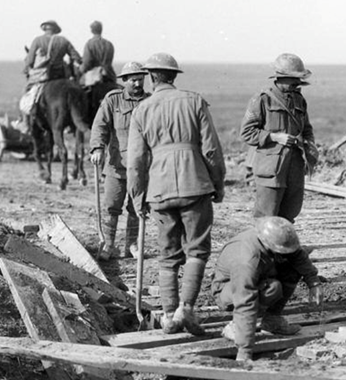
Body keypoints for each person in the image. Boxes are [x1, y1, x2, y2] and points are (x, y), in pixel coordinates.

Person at [127, 52, 226, 335]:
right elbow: (211, 150)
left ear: (151, 77)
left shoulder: (141, 110)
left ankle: (169, 316)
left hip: (159, 190)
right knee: (197, 250)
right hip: (196, 184)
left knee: (167, 255)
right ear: (174, 76)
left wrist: (137, 197)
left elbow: (135, 162)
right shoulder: (194, 101)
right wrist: (218, 183)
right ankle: (187, 308)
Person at [211, 216, 324, 362]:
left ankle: (272, 320)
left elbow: (297, 254)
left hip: (261, 275)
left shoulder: (272, 239)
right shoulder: (247, 260)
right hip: (229, 289)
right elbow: (245, 300)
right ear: (268, 245)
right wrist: (245, 350)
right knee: (272, 288)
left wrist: (313, 282)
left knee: (291, 269)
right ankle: (236, 326)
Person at [240, 53, 318, 221]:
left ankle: (284, 239)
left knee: (289, 214)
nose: (297, 83)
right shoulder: (262, 100)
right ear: (281, 77)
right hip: (271, 169)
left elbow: (307, 129)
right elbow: (247, 132)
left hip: (294, 167)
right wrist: (274, 137)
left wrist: (310, 149)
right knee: (266, 216)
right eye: (294, 79)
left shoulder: (299, 100)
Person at [88, 61, 150, 260]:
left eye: (140, 80)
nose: (138, 84)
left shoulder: (150, 101)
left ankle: (132, 245)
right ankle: (108, 245)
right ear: (124, 81)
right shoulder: (113, 100)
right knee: (111, 206)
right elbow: (100, 126)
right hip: (117, 165)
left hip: (141, 167)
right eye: (133, 80)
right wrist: (97, 148)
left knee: (137, 207)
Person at [20, 20, 82, 126]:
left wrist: (27, 69)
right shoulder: (63, 41)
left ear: (45, 29)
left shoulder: (38, 40)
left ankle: (25, 123)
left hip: (43, 77)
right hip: (61, 76)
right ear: (56, 30)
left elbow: (29, 61)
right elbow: (77, 57)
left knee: (25, 92)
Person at [79, 20, 116, 86]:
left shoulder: (89, 44)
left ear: (92, 30)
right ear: (101, 29)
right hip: (109, 75)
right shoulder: (109, 44)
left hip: (93, 78)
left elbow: (87, 63)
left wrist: (80, 70)